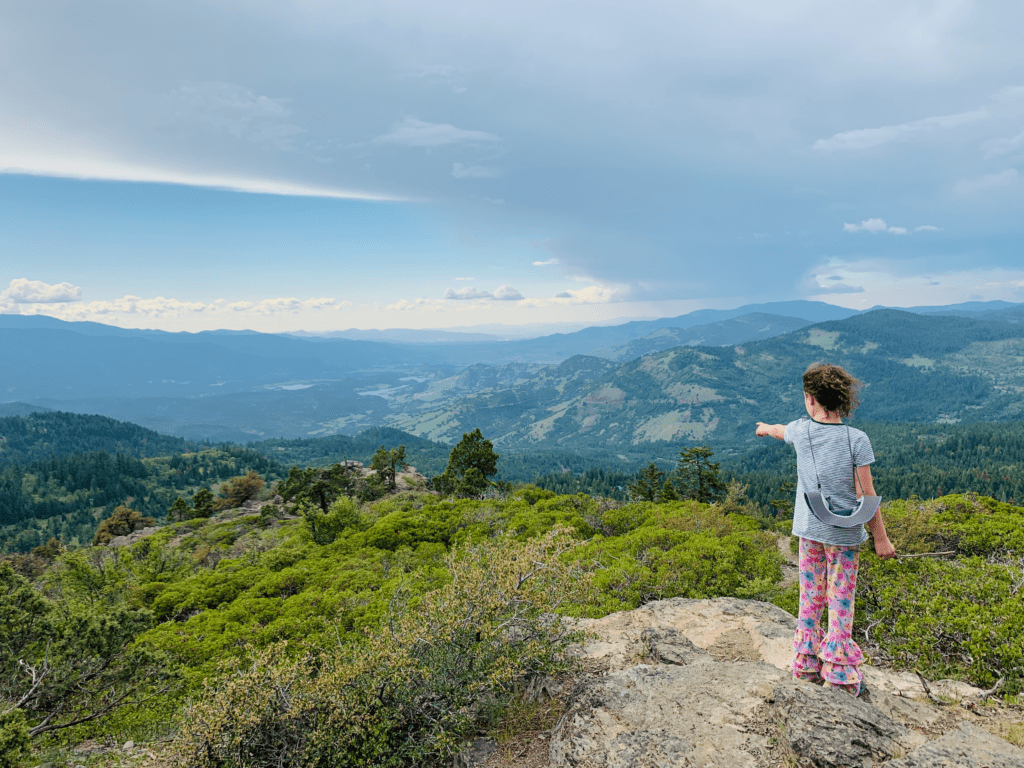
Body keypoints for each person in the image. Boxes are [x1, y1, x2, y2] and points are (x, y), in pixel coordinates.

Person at [756, 362, 896, 697]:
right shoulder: (857, 440)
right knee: (841, 600)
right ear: (843, 400)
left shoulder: (801, 431)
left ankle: (805, 666)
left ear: (810, 399)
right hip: (845, 537)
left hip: (809, 531)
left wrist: (763, 428)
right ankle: (839, 676)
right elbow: (867, 496)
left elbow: (779, 430)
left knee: (811, 598)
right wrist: (882, 538)